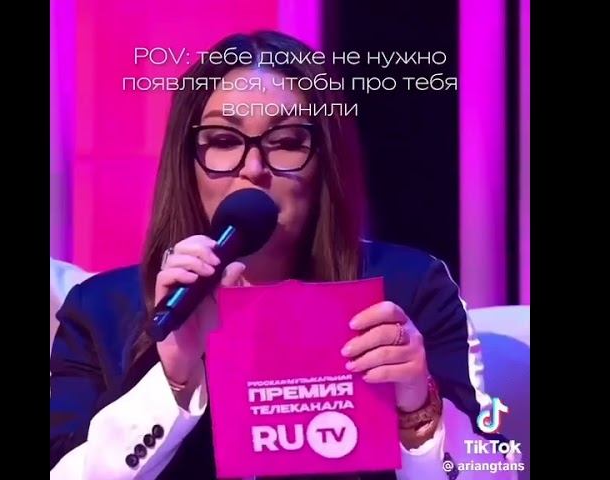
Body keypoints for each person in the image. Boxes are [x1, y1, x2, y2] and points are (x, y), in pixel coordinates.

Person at [50, 31, 520, 480]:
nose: (254, 169)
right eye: (224, 141)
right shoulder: (100, 310)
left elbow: (495, 468)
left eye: (288, 142)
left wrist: (418, 410)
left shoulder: (410, 288)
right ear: (187, 162)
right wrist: (172, 381)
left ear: (325, 162)